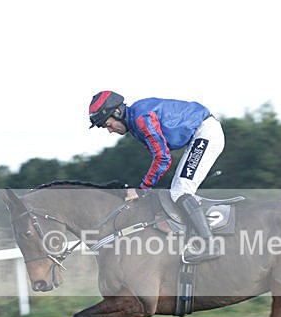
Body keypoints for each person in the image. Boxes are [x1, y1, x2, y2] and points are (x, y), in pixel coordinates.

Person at [88, 90, 225, 263]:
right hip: (198, 136)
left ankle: (209, 244)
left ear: (117, 112)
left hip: (205, 133)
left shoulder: (141, 119)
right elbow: (161, 158)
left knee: (180, 191)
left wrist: (142, 189)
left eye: (108, 124)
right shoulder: (135, 124)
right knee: (177, 190)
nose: (109, 130)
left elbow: (162, 158)